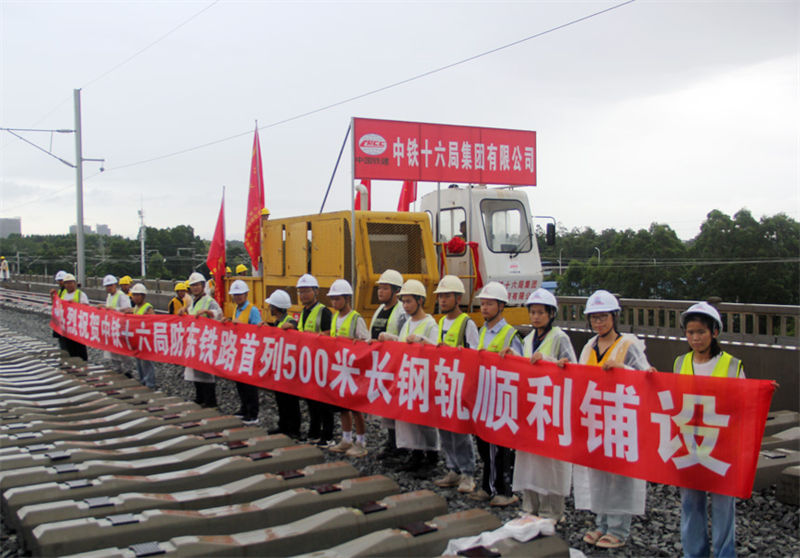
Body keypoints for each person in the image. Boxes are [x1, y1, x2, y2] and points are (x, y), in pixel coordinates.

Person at [575, 289, 652, 549]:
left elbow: (648, 377)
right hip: (597, 418)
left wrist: (624, 370)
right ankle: (602, 523)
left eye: (604, 316)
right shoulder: (590, 346)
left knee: (619, 476)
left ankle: (618, 529)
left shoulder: (629, 345)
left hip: (621, 419)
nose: (599, 322)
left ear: (614, 317)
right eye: (594, 318)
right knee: (598, 473)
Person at [675, 301, 743, 558]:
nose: (695, 338)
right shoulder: (680, 362)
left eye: (701, 332)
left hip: (722, 446)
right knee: (691, 503)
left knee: (724, 505)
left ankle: (726, 554)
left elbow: (744, 403)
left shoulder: (733, 364)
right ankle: (695, 553)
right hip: (690, 446)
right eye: (690, 332)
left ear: (715, 332)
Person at [503, 288, 576, 522]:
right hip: (531, 407)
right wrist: (512, 355)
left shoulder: (559, 337)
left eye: (540, 313)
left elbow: (572, 368)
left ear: (551, 314)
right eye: (532, 312)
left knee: (550, 462)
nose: (535, 317)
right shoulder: (528, 339)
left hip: (551, 406)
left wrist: (551, 362)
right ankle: (530, 506)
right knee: (529, 460)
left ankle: (552, 511)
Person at [470, 281, 523, 507]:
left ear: (501, 306)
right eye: (482, 304)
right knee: (484, 444)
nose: (484, 308)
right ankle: (488, 485)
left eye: (489, 304)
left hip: (502, 398)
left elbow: (521, 366)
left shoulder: (510, 334)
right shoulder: (483, 331)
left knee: (500, 447)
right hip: (485, 396)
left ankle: (502, 489)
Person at [380, 279, 440, 475]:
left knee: (425, 421)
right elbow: (402, 346)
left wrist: (422, 341)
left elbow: (437, 351)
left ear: (420, 301)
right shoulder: (407, 323)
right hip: (409, 378)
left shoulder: (430, 324)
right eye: (403, 302)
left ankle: (431, 457)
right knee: (409, 419)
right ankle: (415, 454)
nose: (405, 306)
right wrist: (391, 339)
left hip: (424, 379)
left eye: (408, 301)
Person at [429, 275, 478, 494]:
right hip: (443, 383)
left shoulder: (467, 323)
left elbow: (474, 355)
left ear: (458, 298)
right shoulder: (441, 322)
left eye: (447, 296)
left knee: (460, 430)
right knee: (445, 429)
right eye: (440, 296)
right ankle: (452, 469)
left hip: (459, 385)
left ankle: (468, 472)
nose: (442, 300)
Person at [326, 279, 370, 458]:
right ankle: (346, 439)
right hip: (340, 367)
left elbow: (366, 341)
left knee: (355, 407)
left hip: (354, 369)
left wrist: (357, 344)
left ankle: (361, 442)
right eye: (333, 299)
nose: (334, 302)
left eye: (337, 299)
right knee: (342, 405)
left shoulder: (355, 318)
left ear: (346, 298)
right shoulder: (335, 317)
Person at [367, 269, 407, 459]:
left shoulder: (401, 313)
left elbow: (406, 340)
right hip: (382, 368)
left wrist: (391, 339)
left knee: (397, 409)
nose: (380, 292)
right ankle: (392, 443)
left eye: (385, 288)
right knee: (386, 408)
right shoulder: (379, 311)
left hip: (396, 367)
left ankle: (401, 446)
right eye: (379, 288)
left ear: (396, 291)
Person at [292, 273, 334, 444]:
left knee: (324, 401)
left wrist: (311, 338)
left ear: (316, 292)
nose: (302, 295)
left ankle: (327, 434)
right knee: (311, 401)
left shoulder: (323, 312)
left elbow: (328, 334)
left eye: (306, 291)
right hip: (308, 363)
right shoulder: (304, 312)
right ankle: (314, 432)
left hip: (321, 363)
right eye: (300, 292)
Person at [178, 272, 222, 408]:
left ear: (203, 286)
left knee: (207, 372)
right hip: (195, 341)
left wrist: (208, 313)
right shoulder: (192, 301)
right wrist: (183, 310)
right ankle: (200, 397)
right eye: (192, 286)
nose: (195, 288)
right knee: (196, 371)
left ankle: (210, 401)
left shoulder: (209, 301)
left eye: (197, 285)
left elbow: (219, 314)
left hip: (206, 341)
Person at [222, 279, 262, 425]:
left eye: (240, 295)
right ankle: (244, 408)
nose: (237, 297)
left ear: (246, 294)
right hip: (239, 350)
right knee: (240, 382)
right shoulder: (236, 309)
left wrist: (242, 325)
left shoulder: (252, 310)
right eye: (235, 295)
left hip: (249, 351)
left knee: (249, 384)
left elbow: (258, 330)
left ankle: (253, 414)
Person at [265, 289, 301, 438]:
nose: (269, 308)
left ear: (275, 307)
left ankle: (293, 429)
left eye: (271, 306)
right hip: (279, 367)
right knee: (280, 398)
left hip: (289, 368)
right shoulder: (278, 322)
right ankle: (283, 425)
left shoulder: (290, 322)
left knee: (290, 400)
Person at [122, 283, 157, 389]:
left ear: (143, 296)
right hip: (138, 340)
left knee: (147, 363)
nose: (135, 297)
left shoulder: (148, 308)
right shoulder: (136, 308)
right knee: (139, 362)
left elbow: (153, 322)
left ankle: (150, 384)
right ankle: (143, 381)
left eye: (138, 295)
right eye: (134, 295)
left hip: (146, 340)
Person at [99, 274, 132, 376]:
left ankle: (127, 370)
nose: (109, 287)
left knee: (123, 349)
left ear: (115, 285)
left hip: (121, 326)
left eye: (111, 285)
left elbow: (128, 310)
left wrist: (115, 310)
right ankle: (117, 368)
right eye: (107, 286)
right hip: (112, 327)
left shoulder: (121, 296)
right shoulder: (109, 296)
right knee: (113, 349)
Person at [57, 273, 90, 361]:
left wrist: (75, 304)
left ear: (75, 283)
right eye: (67, 283)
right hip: (67, 327)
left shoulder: (80, 294)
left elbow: (87, 308)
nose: (69, 285)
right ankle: (73, 364)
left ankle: (83, 364)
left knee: (80, 348)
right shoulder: (63, 294)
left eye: (71, 283)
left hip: (78, 327)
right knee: (69, 348)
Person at [51, 270, 69, 353]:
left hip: (67, 321)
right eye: (59, 281)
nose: (60, 282)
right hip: (61, 321)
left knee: (67, 342)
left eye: (61, 280)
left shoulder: (68, 291)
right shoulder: (60, 291)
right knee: (62, 342)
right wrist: (52, 296)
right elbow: (56, 304)